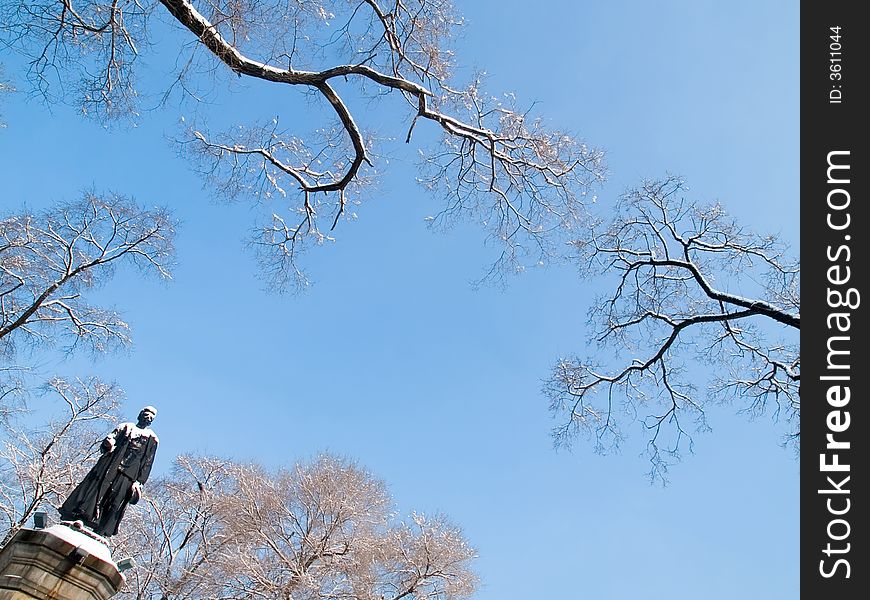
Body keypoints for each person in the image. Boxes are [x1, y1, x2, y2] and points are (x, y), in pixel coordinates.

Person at [59, 406, 159, 537]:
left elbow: (147, 463)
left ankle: (102, 531)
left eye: (151, 417)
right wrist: (109, 442)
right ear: (140, 415)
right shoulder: (126, 427)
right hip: (110, 465)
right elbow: (111, 438)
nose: (148, 418)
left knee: (115, 501)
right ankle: (81, 517)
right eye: (146, 415)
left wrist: (139, 482)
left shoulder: (152, 439)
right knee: (96, 491)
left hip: (129, 474)